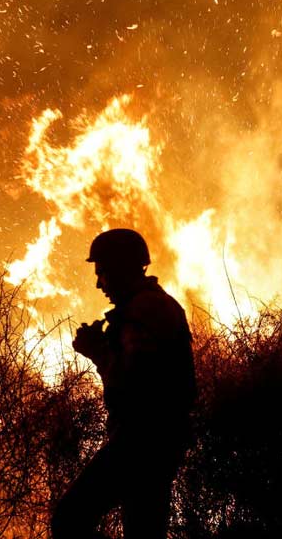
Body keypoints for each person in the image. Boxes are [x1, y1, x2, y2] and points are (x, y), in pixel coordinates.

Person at [52, 229, 196, 539]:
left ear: (119, 268)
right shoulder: (159, 305)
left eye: (101, 272)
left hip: (140, 441)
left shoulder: (141, 311)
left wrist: (97, 351)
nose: (98, 283)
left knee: (70, 518)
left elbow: (133, 386)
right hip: (162, 440)